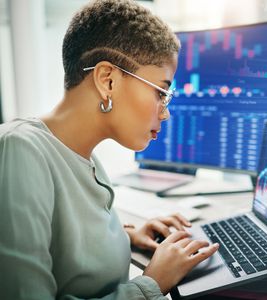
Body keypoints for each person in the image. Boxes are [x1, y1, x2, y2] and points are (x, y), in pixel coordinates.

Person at [0, 0, 219, 299]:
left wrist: (124, 236)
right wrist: (151, 284)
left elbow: (63, 243)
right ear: (108, 80)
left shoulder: (83, 156)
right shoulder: (20, 151)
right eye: (161, 92)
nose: (165, 112)